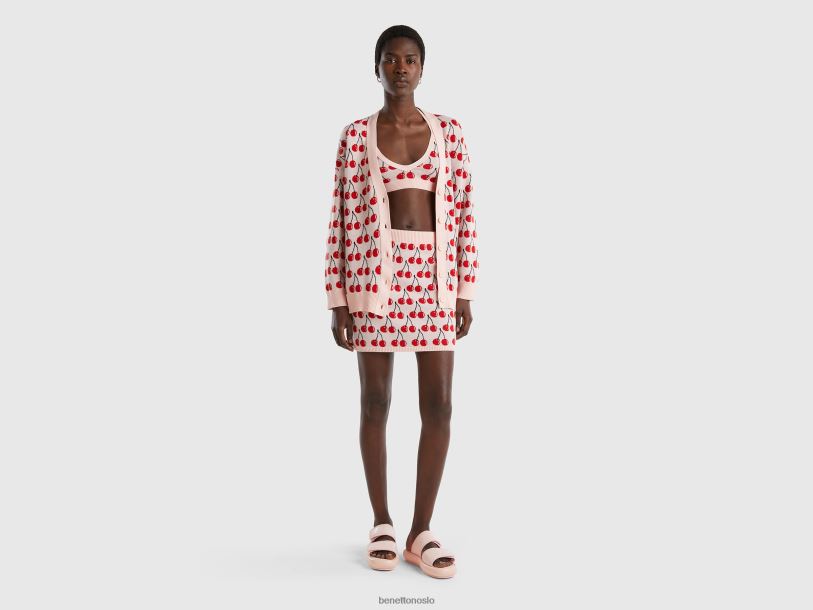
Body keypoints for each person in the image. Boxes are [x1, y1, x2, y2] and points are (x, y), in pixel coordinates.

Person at [323, 25, 479, 579]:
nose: (401, 68)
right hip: (374, 283)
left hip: (433, 284)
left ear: (422, 67)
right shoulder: (355, 137)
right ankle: (383, 522)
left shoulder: (449, 132)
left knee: (440, 406)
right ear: (377, 67)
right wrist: (338, 298)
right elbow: (340, 220)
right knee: (375, 402)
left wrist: (464, 290)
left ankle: (421, 531)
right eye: (391, 59)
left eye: (410, 60)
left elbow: (464, 212)